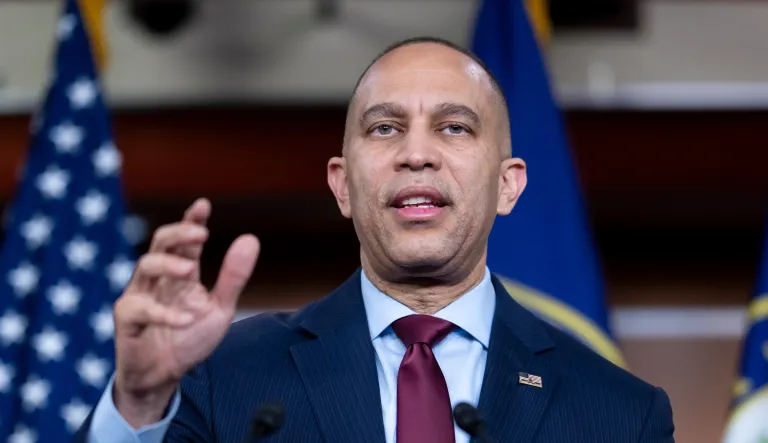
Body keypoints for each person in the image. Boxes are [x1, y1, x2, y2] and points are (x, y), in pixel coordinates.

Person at [75, 37, 675, 443]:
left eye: (454, 127)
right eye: (385, 128)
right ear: (342, 185)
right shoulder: (223, 377)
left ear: (507, 185)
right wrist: (139, 403)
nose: (416, 154)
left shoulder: (619, 414)